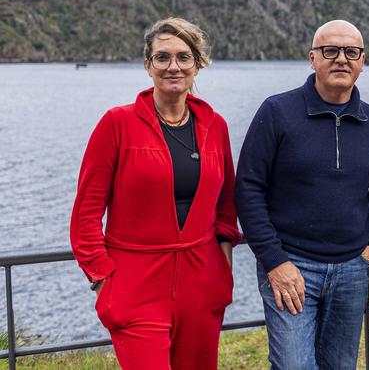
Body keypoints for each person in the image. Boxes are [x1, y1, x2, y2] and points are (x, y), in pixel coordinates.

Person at [70, 18, 242, 370]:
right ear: (148, 66)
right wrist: (103, 280)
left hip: (201, 284)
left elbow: (227, 202)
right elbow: (86, 213)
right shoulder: (117, 124)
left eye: (183, 57)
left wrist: (223, 263)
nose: (173, 66)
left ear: (198, 65)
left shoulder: (215, 126)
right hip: (135, 286)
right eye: (162, 57)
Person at [234, 20, 369, 369]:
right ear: (312, 59)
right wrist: (274, 261)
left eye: (351, 52)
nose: (341, 59)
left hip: (352, 269)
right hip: (291, 266)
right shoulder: (277, 112)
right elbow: (248, 188)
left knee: (340, 366)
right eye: (330, 51)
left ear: (362, 61)